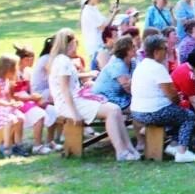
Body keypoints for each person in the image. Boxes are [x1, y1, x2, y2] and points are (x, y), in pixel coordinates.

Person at [47, 28, 139, 161]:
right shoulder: (62, 61)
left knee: (115, 109)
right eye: (75, 43)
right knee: (112, 110)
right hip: (69, 103)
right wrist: (74, 114)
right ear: (69, 44)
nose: (76, 47)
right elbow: (65, 89)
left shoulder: (63, 60)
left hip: (76, 99)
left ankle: (129, 148)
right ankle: (121, 151)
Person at [130, 34, 195, 163]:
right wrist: (178, 100)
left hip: (137, 112)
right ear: (156, 52)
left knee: (176, 112)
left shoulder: (141, 66)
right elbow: (172, 95)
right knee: (188, 115)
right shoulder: (157, 68)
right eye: (164, 48)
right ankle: (182, 152)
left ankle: (174, 146)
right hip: (153, 111)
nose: (167, 51)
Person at [12, 44, 60, 153]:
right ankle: (37, 146)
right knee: (39, 114)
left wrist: (38, 99)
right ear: (25, 59)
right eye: (31, 58)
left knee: (53, 111)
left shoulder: (28, 72)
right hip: (18, 103)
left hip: (29, 100)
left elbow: (30, 90)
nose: (33, 61)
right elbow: (12, 94)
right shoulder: (13, 73)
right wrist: (30, 98)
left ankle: (49, 141)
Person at [0, 55, 29, 157]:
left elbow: (8, 97)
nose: (16, 70)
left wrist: (14, 103)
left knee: (20, 117)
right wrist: (8, 104)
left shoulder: (6, 81)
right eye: (15, 68)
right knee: (11, 120)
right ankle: (6, 146)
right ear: (8, 69)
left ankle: (18, 144)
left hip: (3, 105)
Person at [92, 36, 136, 110]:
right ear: (126, 51)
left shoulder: (132, 62)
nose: (135, 48)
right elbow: (128, 88)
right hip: (106, 97)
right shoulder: (118, 65)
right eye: (133, 47)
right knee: (139, 107)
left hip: (120, 94)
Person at [80, 0, 121, 64]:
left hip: (101, 44)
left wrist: (111, 12)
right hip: (95, 47)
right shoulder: (88, 11)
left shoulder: (93, 9)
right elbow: (103, 27)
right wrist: (113, 14)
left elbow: (105, 23)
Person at [31, 36, 56, 104]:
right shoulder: (46, 59)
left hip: (46, 90)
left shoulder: (48, 57)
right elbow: (54, 76)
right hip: (40, 92)